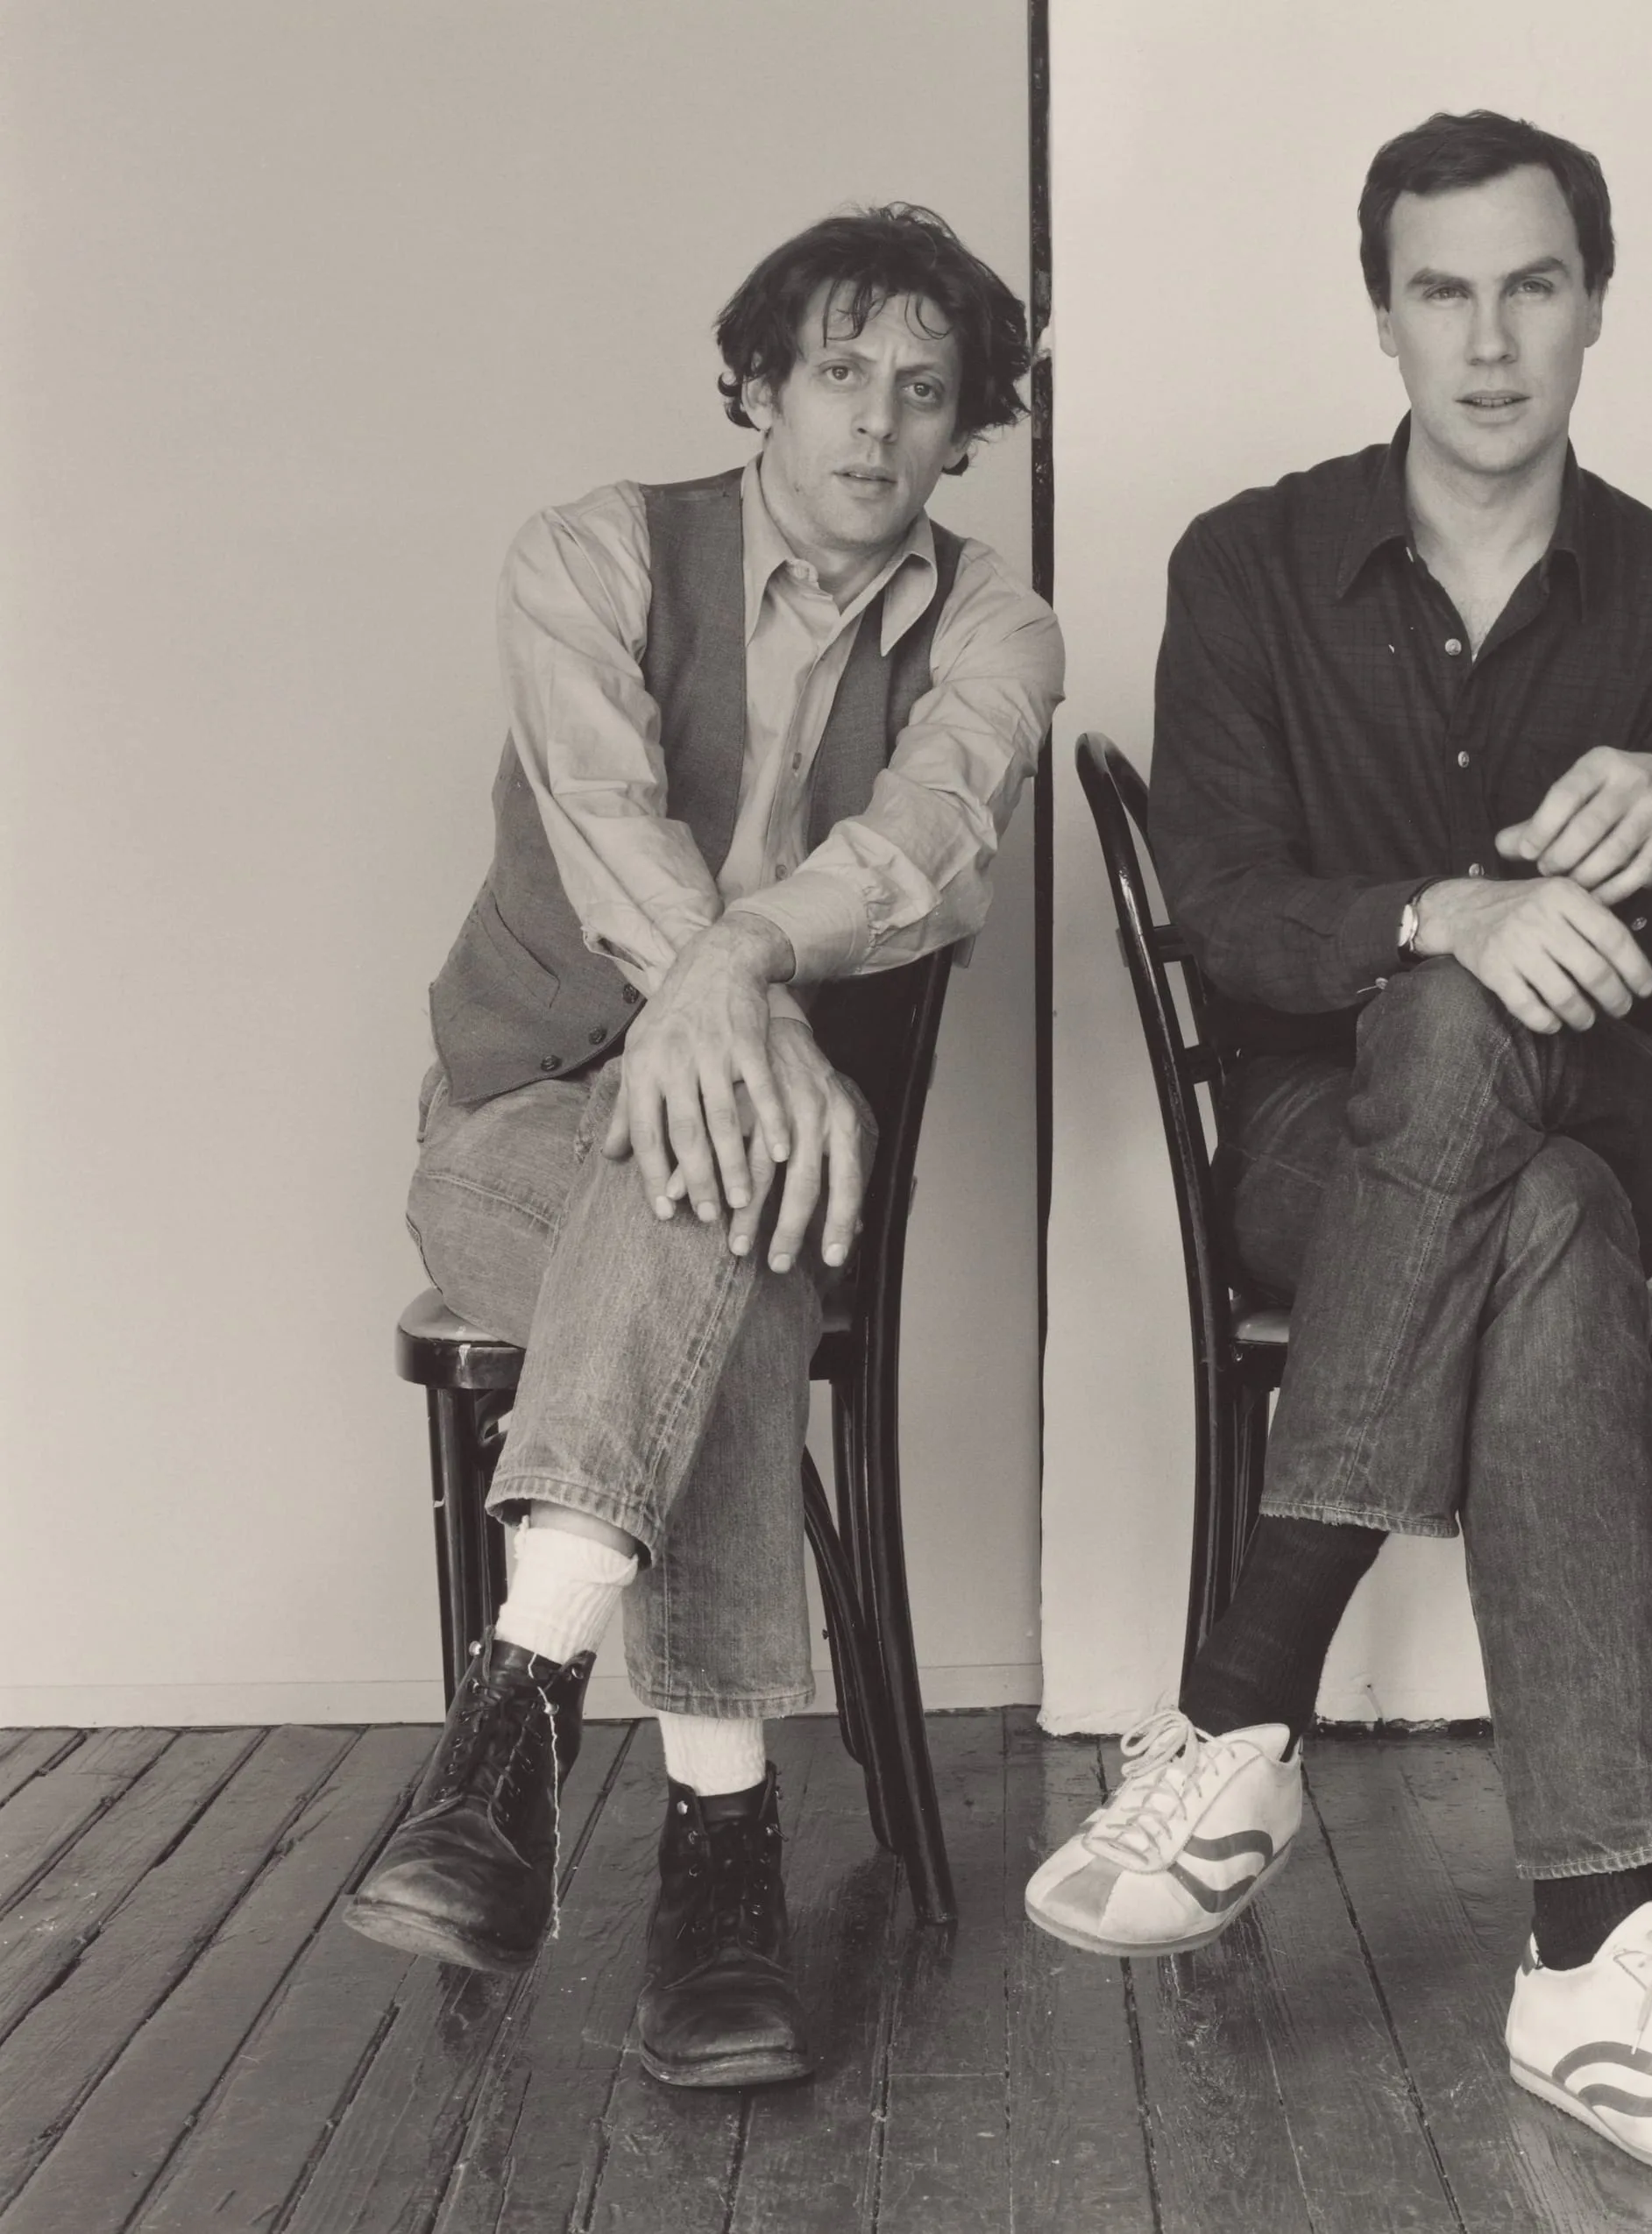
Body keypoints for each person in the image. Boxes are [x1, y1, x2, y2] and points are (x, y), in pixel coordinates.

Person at [1025, 113, 1652, 2188]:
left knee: (1518, 1078)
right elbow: (1223, 910)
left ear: (1594, 300)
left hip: (1603, 1100)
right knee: (1537, 1211)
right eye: (1441, 292)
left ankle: (1239, 1701)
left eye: (1530, 287)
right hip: (1318, 1152)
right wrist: (1440, 913)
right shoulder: (1246, 563)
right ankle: (1598, 1956)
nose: (1487, 342)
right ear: (1381, 312)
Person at [350, 204, 1061, 2092]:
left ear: (965, 429)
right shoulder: (588, 554)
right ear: (757, 386)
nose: (879, 420)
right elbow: (603, 817)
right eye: (840, 369)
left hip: (774, 1176)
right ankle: (718, 1863)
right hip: (514, 1126)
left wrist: (737, 974)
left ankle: (512, 1732)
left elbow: (929, 836)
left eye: (928, 390)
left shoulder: (997, 625)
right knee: (715, 1187)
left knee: (710, 1176)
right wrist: (747, 1016)